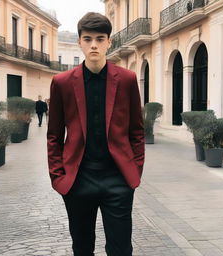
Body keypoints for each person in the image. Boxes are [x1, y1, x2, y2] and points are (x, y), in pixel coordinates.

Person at [47, 12, 145, 256]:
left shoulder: (127, 79)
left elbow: (137, 131)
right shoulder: (61, 82)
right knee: (82, 249)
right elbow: (54, 136)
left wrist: (134, 172)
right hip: (79, 180)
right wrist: (59, 177)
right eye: (88, 39)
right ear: (79, 42)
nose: (94, 45)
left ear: (109, 42)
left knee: (121, 249)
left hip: (118, 180)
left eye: (100, 39)